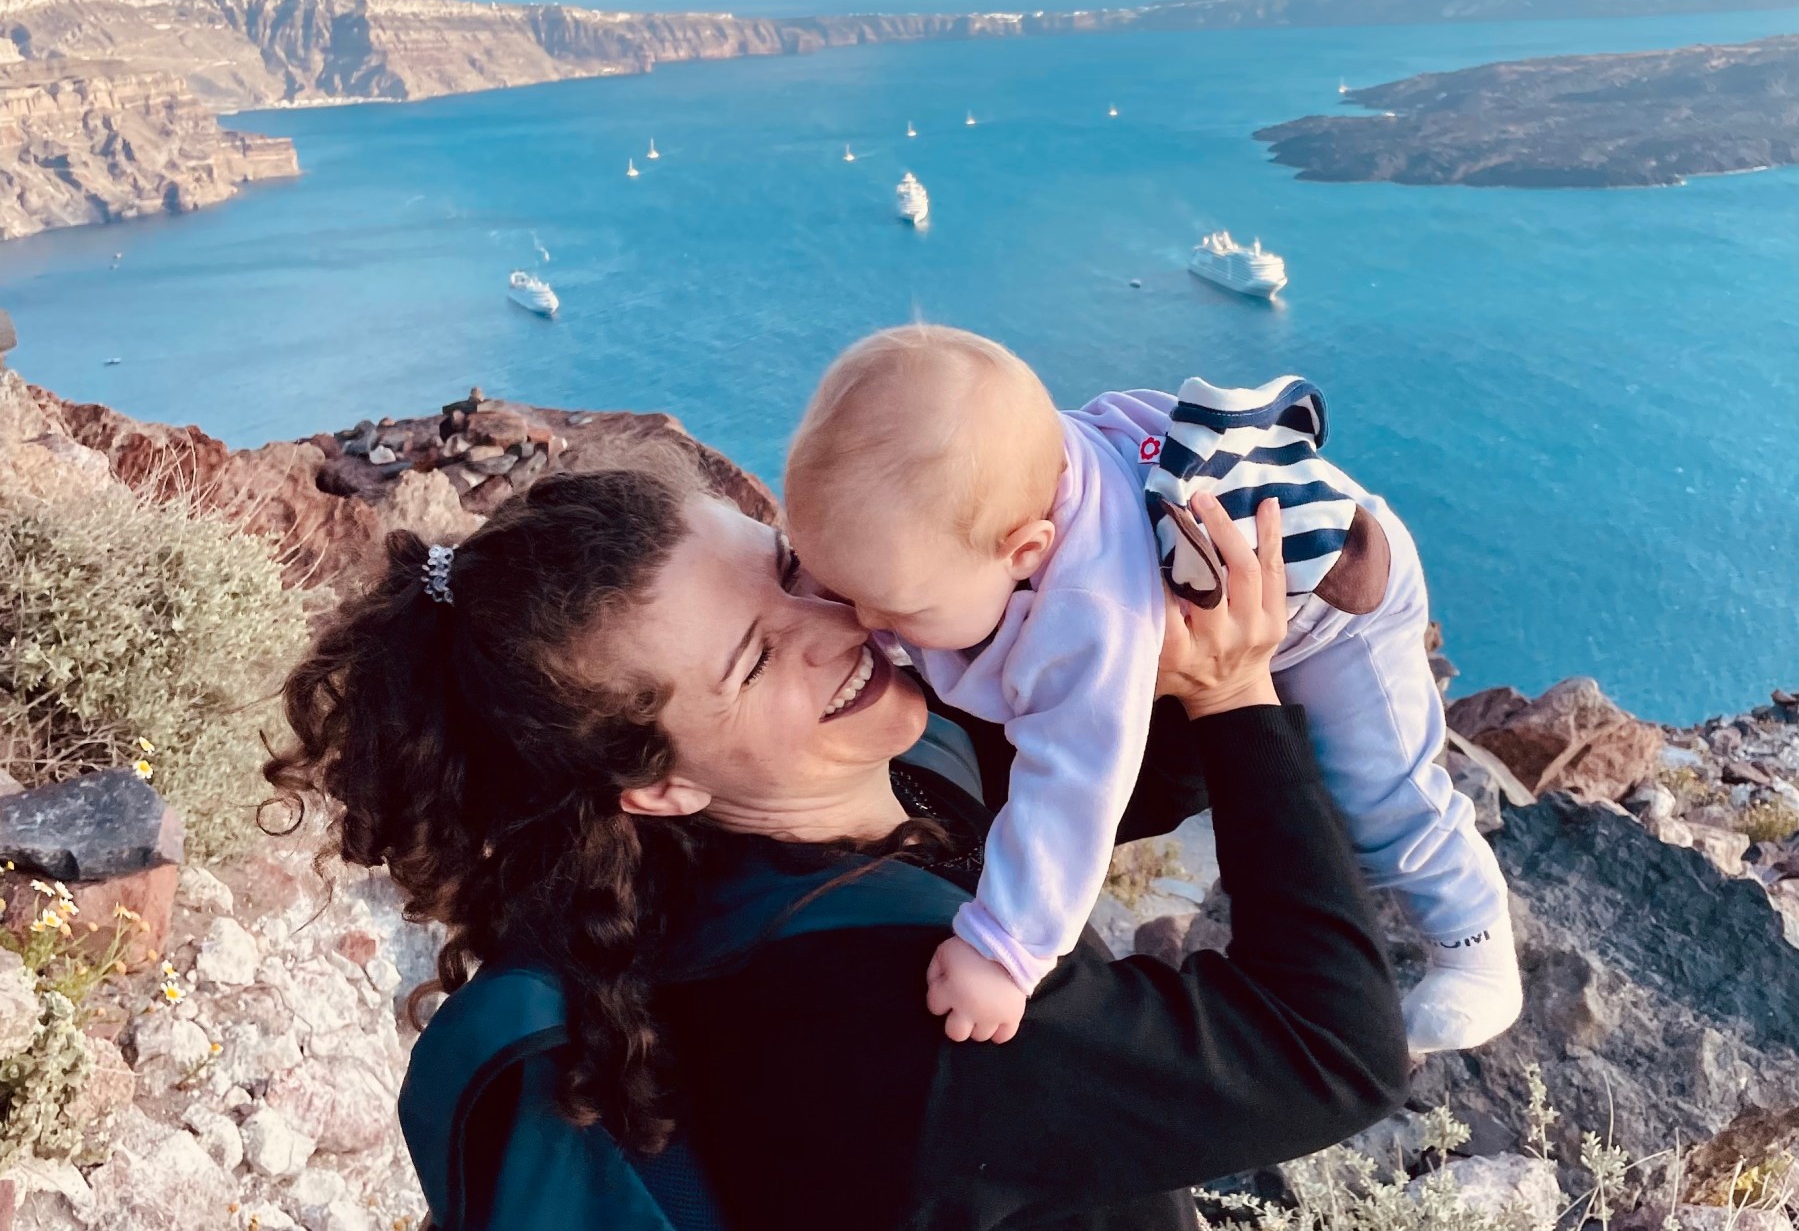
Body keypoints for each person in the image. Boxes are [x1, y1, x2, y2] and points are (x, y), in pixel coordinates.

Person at [268, 461, 1409, 1231]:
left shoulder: (808, 812)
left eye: (783, 566)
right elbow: (1329, 1053)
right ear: (656, 783)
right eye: (756, 660)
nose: (838, 626)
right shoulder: (894, 1018)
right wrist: (1238, 692)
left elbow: (1096, 770)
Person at [783, 325, 1520, 1055]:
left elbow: (1074, 784)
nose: (864, 621)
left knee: (1377, 794)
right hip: (1210, 579)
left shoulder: (1090, 611)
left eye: (897, 610)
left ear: (1026, 552)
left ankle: (1474, 942)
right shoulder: (987, 492)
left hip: (1334, 610)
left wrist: (1005, 948)